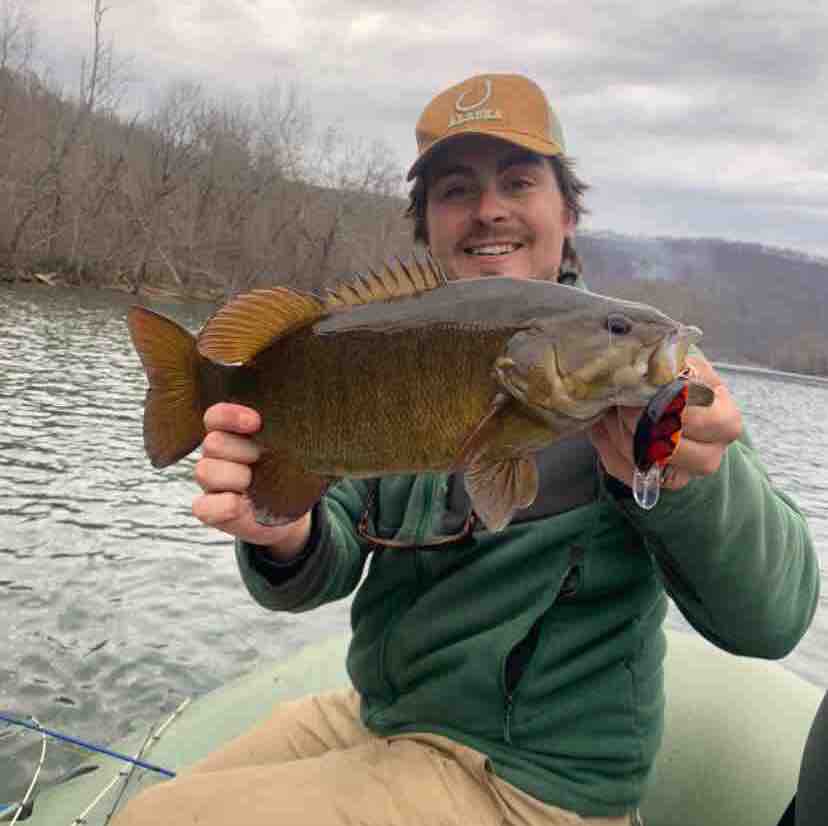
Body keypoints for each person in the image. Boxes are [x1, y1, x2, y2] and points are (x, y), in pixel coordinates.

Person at [115, 74, 819, 826]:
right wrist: (284, 533)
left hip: (531, 783)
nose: (489, 210)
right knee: (149, 804)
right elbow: (326, 555)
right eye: (456, 189)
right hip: (384, 717)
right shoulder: (396, 336)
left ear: (567, 211)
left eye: (518, 180)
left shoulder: (642, 398)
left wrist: (687, 482)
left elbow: (773, 619)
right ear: (427, 224)